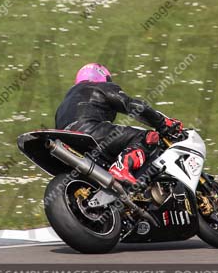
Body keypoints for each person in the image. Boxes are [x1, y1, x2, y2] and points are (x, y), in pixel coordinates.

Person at [55, 63, 183, 184]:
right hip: (89, 131)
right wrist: (162, 123)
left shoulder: (62, 105)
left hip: (64, 141)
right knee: (147, 137)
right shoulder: (99, 86)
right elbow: (132, 106)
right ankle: (122, 168)